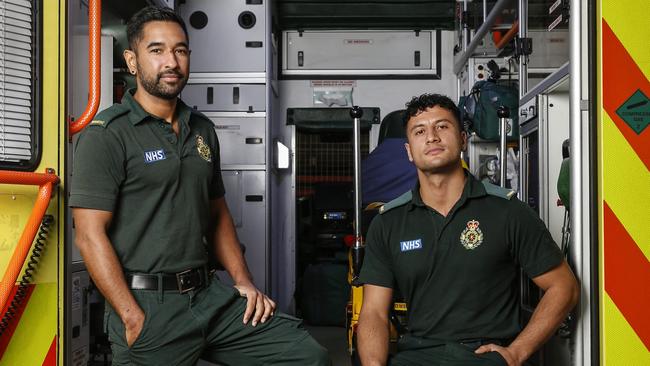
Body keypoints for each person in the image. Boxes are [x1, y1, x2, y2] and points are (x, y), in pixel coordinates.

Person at [70, 6, 330, 366]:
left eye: (180, 50)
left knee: (307, 356)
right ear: (132, 60)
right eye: (157, 50)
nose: (171, 62)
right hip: (149, 307)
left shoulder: (202, 129)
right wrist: (131, 317)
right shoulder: (107, 135)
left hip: (209, 297)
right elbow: (89, 235)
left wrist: (244, 282)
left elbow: (217, 212)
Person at [356, 93, 579, 366]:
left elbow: (563, 287)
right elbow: (374, 313)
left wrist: (517, 351)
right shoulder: (388, 223)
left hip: (486, 356)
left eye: (442, 126)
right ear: (409, 152)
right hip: (418, 356)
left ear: (462, 139)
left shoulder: (507, 211)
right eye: (420, 131)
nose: (432, 137)